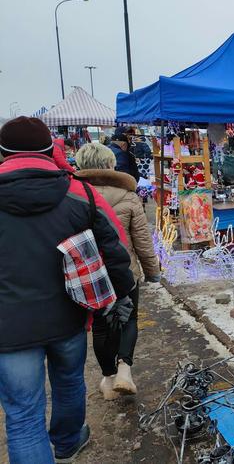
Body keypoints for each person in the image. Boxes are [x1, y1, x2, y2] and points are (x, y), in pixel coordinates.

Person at [0, 117, 135, 463]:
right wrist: (123, 297)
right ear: (50, 150)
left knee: (23, 417)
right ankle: (67, 441)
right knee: (69, 382)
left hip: (8, 329)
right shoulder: (79, 192)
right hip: (67, 318)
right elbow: (115, 249)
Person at [75, 143, 160, 400]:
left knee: (101, 326)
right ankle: (125, 370)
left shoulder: (74, 194)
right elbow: (142, 239)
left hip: (91, 274)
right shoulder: (128, 195)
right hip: (125, 270)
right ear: (111, 165)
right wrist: (152, 271)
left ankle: (108, 377)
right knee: (129, 318)